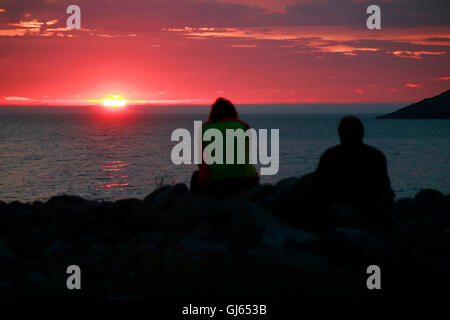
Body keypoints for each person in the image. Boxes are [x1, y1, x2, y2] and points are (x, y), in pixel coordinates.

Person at [313, 115, 394, 220]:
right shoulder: (375, 155)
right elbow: (384, 186)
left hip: (340, 208)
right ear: (361, 132)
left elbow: (318, 184)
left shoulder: (331, 155)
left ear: (340, 132)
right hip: (369, 209)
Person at [190, 98, 259, 195]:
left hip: (214, 182)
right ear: (233, 111)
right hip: (245, 180)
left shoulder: (205, 128)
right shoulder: (243, 126)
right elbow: (246, 156)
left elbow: (201, 163)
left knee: (196, 176)